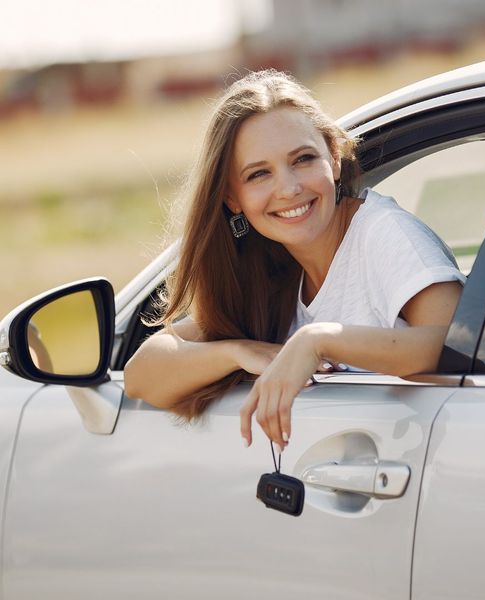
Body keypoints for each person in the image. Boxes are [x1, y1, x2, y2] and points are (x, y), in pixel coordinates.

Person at [124, 70, 465, 452]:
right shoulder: (269, 271)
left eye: (303, 159)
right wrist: (239, 351)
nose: (288, 188)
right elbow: (141, 375)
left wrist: (318, 341)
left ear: (333, 159)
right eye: (258, 175)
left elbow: (462, 348)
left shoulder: (384, 233)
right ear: (232, 198)